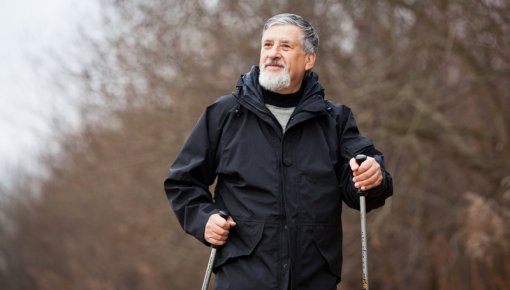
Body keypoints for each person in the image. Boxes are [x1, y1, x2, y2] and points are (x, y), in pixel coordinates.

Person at [164, 13, 393, 290]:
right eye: (268, 45)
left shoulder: (335, 120)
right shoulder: (224, 114)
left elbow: (362, 184)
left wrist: (372, 175)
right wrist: (204, 219)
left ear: (309, 59)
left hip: (314, 279)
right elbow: (182, 182)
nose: (273, 54)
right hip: (243, 277)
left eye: (285, 47)